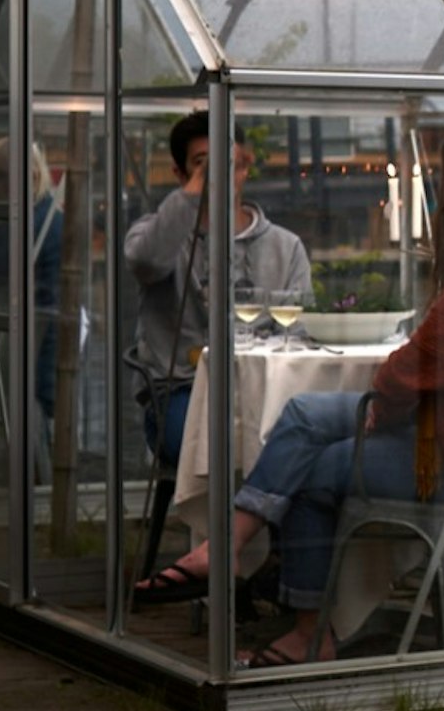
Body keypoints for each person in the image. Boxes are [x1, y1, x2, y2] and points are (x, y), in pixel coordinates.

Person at [133, 126, 444, 668]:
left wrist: (383, 413)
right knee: (301, 413)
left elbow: (409, 371)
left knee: (313, 471)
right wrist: (389, 404)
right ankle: (227, 550)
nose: (437, 185)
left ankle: (307, 630)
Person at [123, 111, 312, 469]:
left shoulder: (285, 247)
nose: (219, 174)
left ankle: (255, 522)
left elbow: (300, 331)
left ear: (244, 169)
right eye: (201, 163)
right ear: (180, 174)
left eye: (228, 163)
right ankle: (238, 522)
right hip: (181, 393)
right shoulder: (156, 234)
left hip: (266, 391)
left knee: (312, 442)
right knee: (216, 447)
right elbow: (147, 261)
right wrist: (196, 191)